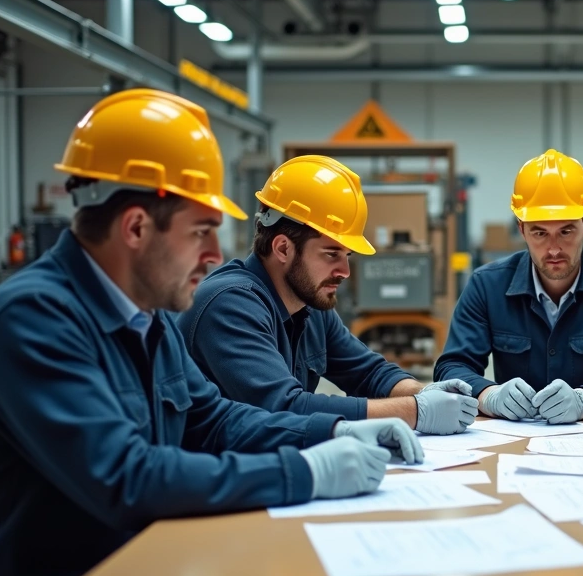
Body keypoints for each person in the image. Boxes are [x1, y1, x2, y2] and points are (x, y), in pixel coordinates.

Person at [0, 90, 422, 576]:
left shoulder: (146, 316)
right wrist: (306, 472)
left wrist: (333, 432)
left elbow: (213, 420)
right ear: (135, 227)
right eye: (201, 231)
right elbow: (128, 478)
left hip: (136, 571)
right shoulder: (34, 320)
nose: (216, 256)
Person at [176, 155, 477, 436]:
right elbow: (284, 408)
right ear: (283, 248)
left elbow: (368, 372)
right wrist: (415, 411)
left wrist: (422, 393)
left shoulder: (309, 304)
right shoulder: (229, 304)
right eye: (331, 254)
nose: (345, 271)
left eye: (346, 255)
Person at [434, 149, 583, 423]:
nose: (553, 249)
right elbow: (452, 367)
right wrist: (489, 395)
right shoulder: (486, 286)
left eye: (566, 231)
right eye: (540, 233)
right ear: (522, 229)